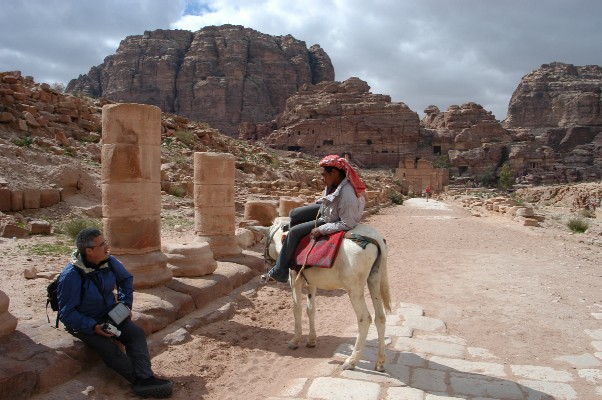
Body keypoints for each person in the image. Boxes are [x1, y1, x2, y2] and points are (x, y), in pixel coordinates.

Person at [56, 228, 173, 398]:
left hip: (109, 314)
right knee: (107, 347)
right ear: (89, 251)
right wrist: (93, 327)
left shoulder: (109, 261)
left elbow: (125, 279)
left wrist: (125, 305)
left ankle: (146, 378)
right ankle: (140, 381)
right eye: (102, 244)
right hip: (85, 321)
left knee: (136, 334)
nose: (107, 246)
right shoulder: (71, 276)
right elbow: (67, 314)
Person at [261, 154, 367, 283]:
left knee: (294, 233)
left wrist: (321, 229)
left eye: (323, 175)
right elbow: (329, 199)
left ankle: (280, 271)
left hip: (331, 218)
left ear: (334, 172)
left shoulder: (347, 195)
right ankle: (294, 232)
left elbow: (347, 223)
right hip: (327, 209)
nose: (321, 178)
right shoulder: (334, 182)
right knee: (294, 214)